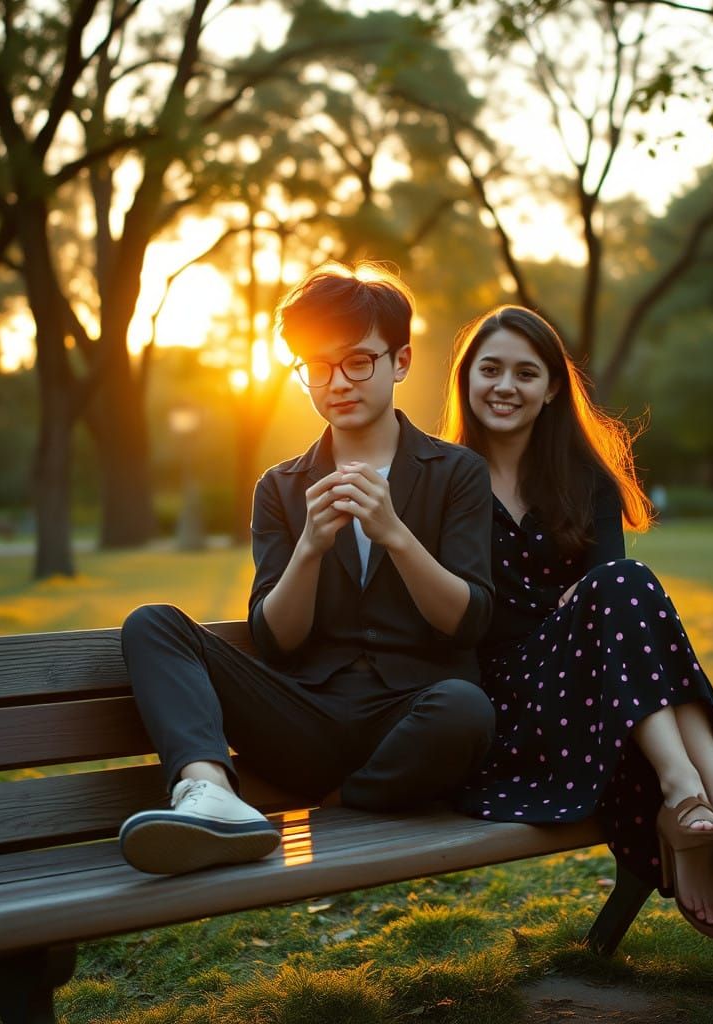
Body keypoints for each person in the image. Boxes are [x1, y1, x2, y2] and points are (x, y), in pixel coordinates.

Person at [118, 264, 496, 875]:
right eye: (315, 367)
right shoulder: (281, 486)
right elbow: (276, 639)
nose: (336, 383)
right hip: (306, 718)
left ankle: (344, 803)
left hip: (413, 718)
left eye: (356, 362)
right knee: (152, 623)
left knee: (467, 708)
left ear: (400, 361)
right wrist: (310, 549)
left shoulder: (456, 474)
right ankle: (209, 792)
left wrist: (395, 534)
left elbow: (467, 622)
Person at [441, 305, 713, 938]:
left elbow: (608, 600)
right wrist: (576, 606)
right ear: (466, 380)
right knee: (623, 590)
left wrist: (582, 605)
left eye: (526, 373)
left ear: (550, 391)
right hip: (513, 704)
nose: (505, 387)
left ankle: (694, 804)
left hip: (600, 690)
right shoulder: (442, 479)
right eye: (490, 369)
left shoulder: (585, 480)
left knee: (625, 586)